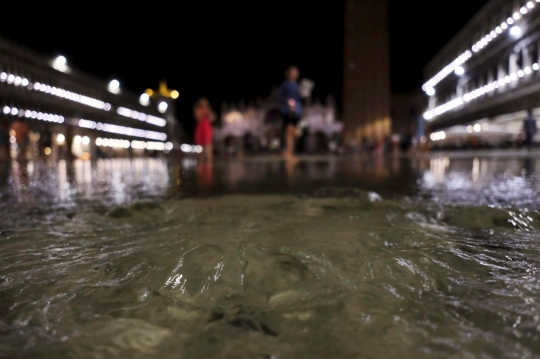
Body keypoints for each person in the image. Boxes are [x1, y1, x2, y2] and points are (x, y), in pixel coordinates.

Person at [278, 66, 302, 161]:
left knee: (294, 131)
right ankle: (288, 151)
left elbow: (300, 98)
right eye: (293, 72)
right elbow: (279, 97)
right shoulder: (285, 85)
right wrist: (287, 102)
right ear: (288, 74)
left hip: (297, 110)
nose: (295, 74)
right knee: (289, 130)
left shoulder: (297, 86)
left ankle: (290, 151)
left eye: (296, 73)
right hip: (288, 110)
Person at [193, 98, 216, 162]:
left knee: (208, 144)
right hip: (201, 127)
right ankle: (201, 160)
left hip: (207, 127)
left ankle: (209, 160)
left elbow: (213, 118)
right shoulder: (198, 110)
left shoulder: (207, 110)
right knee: (200, 145)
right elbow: (198, 118)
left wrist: (208, 111)